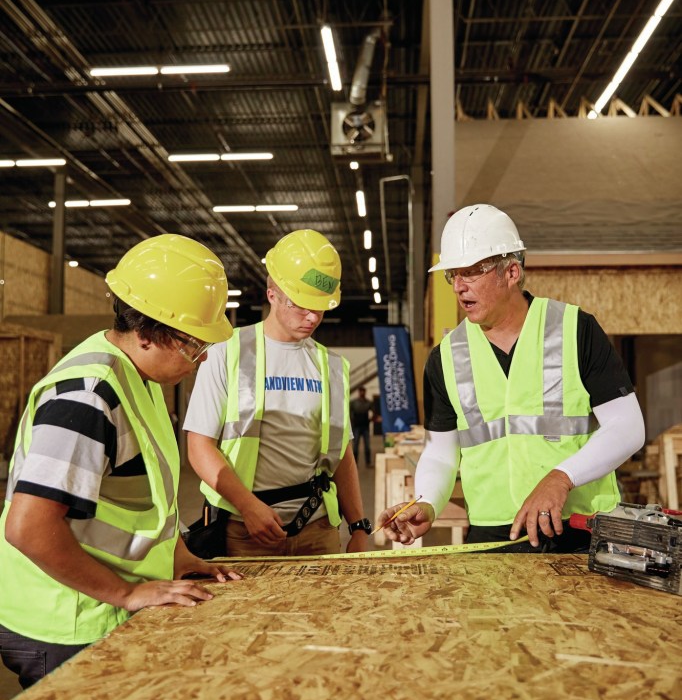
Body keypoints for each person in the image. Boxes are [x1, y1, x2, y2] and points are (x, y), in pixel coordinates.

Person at [0, 234, 242, 689]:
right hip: (65, 617)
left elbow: (138, 503)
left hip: (96, 600)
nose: (204, 356)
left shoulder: (140, 375)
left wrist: (179, 556)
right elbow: (27, 527)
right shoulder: (90, 397)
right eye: (194, 344)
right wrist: (127, 593)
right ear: (148, 333)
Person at [378, 204, 645, 552]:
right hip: (494, 540)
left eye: (471, 272)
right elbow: (442, 453)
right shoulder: (445, 357)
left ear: (512, 272)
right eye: (452, 275)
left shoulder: (575, 330)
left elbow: (627, 427)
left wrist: (561, 478)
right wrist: (427, 503)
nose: (459, 287)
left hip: (581, 532)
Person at [185, 228, 372, 557]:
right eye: (301, 305)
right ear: (272, 292)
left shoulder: (331, 367)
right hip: (244, 531)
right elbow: (199, 447)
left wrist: (357, 525)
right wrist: (248, 507)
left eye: (320, 307)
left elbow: (342, 454)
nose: (313, 317)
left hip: (317, 530)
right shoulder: (226, 353)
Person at [350, 386, 374, 467]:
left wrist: (371, 419)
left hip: (365, 427)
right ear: (359, 392)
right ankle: (354, 463)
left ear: (365, 392)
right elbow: (349, 413)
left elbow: (374, 412)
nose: (362, 393)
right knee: (355, 446)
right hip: (356, 427)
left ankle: (368, 462)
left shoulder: (368, 402)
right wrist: (352, 422)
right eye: (361, 391)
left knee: (367, 446)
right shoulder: (354, 403)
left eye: (363, 391)